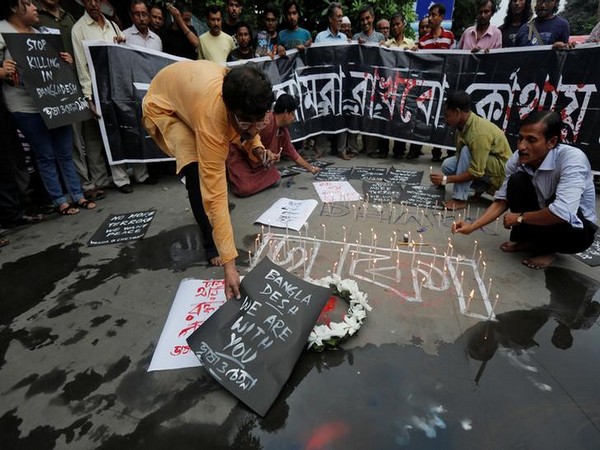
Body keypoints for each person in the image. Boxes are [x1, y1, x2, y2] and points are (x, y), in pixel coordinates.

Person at [142, 61, 274, 299]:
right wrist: (230, 264)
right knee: (196, 169)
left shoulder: (241, 91)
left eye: (260, 122)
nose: (255, 129)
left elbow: (249, 129)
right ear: (228, 108)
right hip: (164, 105)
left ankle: (216, 238)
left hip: (189, 94)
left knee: (224, 146)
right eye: (245, 122)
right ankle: (209, 241)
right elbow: (216, 194)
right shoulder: (212, 118)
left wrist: (256, 146)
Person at [453, 110, 597, 269]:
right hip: (545, 210)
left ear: (551, 142)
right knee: (517, 181)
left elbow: (563, 212)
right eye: (520, 138)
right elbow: (502, 200)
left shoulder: (572, 160)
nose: (522, 146)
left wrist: (520, 218)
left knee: (558, 205)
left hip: (577, 230)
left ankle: (549, 251)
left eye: (531, 140)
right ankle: (528, 242)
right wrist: (472, 227)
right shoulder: (518, 159)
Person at [1, 0, 95, 215]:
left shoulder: (43, 32)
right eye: (29, 4)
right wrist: (4, 71)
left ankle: (77, 194)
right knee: (45, 154)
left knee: (65, 151)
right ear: (15, 8)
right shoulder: (2, 32)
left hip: (55, 102)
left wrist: (67, 61)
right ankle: (59, 199)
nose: (36, 8)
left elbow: (56, 67)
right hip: (25, 106)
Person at [72, 0, 154, 194]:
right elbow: (82, 65)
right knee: (112, 132)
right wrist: (88, 96)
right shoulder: (79, 29)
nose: (93, 4)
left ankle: (141, 174)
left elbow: (122, 54)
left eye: (96, 0)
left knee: (132, 128)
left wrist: (121, 43)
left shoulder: (113, 25)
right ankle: (121, 179)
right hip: (100, 89)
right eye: (88, 0)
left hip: (121, 85)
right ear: (83, 3)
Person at [430, 91, 512, 211]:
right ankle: (480, 188)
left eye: (447, 115)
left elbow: (476, 172)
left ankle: (459, 199)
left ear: (457, 112)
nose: (446, 120)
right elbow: (463, 161)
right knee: (448, 165)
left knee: (467, 152)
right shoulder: (461, 126)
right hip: (484, 165)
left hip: (501, 172)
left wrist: (445, 180)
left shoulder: (478, 133)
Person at [227, 94, 320, 197]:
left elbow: (293, 154)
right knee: (244, 188)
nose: (294, 118)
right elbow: (249, 139)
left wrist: (311, 168)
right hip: (241, 154)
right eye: (293, 114)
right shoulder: (265, 121)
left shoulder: (283, 131)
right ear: (286, 113)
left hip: (258, 162)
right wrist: (262, 152)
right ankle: (234, 178)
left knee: (275, 177)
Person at [313, 2, 352, 160]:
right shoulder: (320, 37)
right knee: (323, 113)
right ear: (330, 19)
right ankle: (320, 149)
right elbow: (315, 59)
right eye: (338, 17)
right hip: (324, 83)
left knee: (341, 114)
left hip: (341, 84)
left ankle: (341, 150)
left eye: (341, 17)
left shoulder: (344, 38)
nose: (341, 20)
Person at [418, 3, 455, 162]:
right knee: (429, 113)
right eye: (429, 15)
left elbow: (455, 58)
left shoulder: (450, 37)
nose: (431, 18)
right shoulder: (423, 40)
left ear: (441, 17)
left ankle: (449, 151)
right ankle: (434, 150)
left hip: (446, 84)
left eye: (434, 15)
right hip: (430, 84)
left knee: (446, 117)